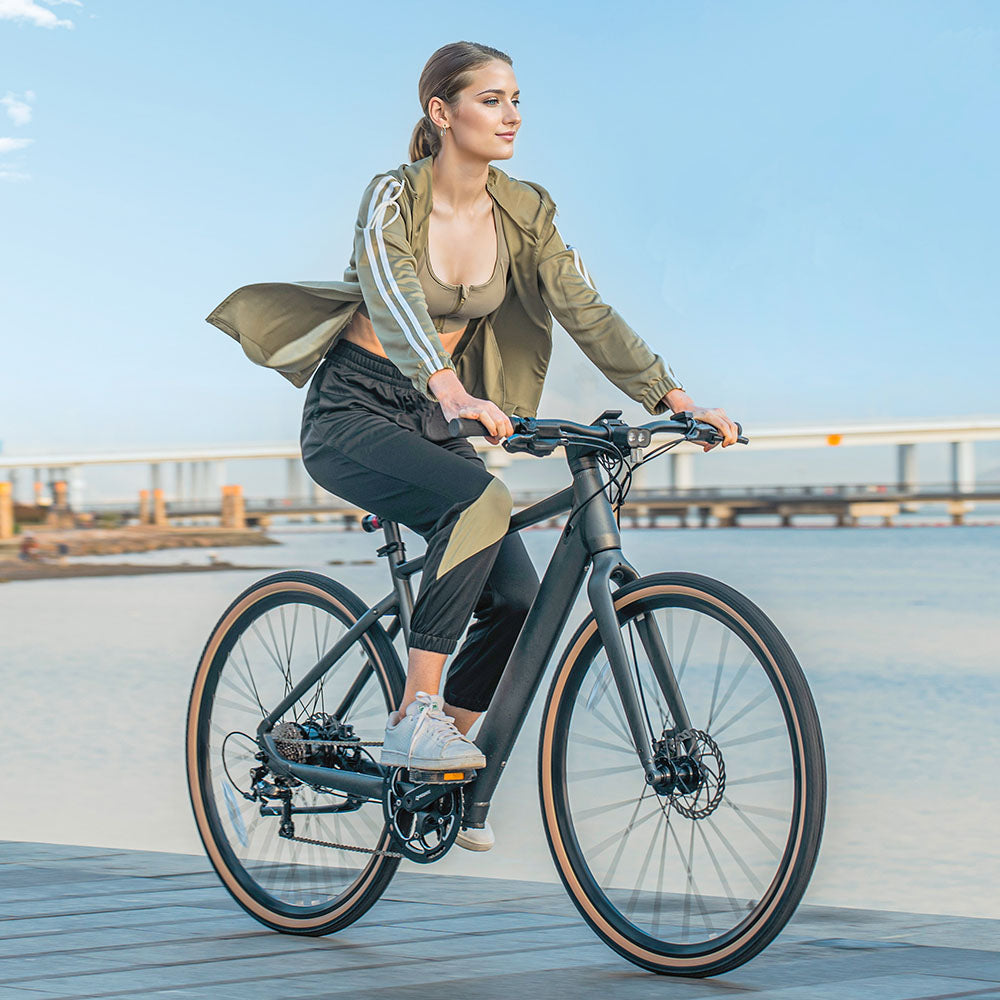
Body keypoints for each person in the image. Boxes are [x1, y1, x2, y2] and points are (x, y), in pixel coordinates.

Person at [207, 40, 739, 851]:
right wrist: (445, 381)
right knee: (484, 500)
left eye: (517, 98)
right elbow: (385, 287)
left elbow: (583, 306)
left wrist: (671, 396)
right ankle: (417, 719)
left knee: (518, 603)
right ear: (441, 113)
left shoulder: (525, 212)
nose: (512, 114)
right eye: (491, 99)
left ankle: (430, 778)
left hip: (439, 418)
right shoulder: (395, 196)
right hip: (355, 409)